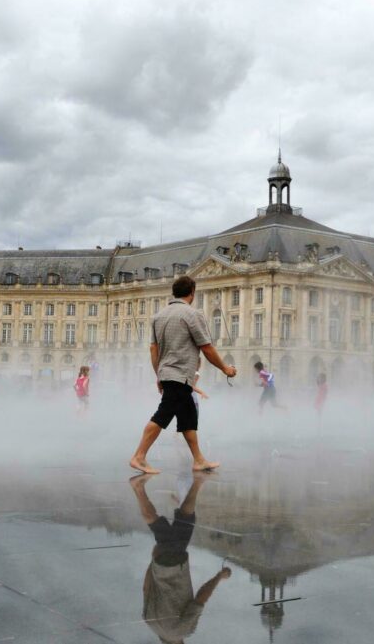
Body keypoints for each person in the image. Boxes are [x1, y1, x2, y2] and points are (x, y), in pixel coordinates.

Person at [129, 276, 236, 475]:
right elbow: (207, 348)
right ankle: (139, 456)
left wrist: (159, 375)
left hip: (169, 374)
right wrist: (225, 369)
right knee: (163, 415)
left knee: (188, 418)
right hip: (180, 374)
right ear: (192, 293)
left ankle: (199, 460)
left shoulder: (159, 316)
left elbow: (154, 349)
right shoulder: (192, 315)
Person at [130, 473, 230, 643]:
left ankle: (139, 488)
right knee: (173, 524)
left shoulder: (184, 630)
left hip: (175, 564)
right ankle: (141, 488)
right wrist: (152, 561)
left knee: (176, 523)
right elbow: (146, 589)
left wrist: (219, 577)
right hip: (160, 564)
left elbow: (201, 598)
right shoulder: (150, 623)